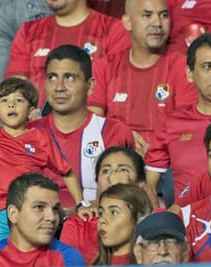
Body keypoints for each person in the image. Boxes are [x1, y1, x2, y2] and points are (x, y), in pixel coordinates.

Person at [5, 0, 128, 100]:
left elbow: (119, 91)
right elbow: (16, 93)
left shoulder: (113, 30)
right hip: (37, 115)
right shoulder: (29, 31)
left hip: (93, 115)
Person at [0, 76, 82, 244]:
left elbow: (67, 172)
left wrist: (80, 204)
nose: (11, 105)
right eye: (4, 100)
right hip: (0, 213)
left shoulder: (40, 137)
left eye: (19, 100)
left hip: (33, 210)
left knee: (37, 255)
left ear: (31, 112)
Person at [146, 32, 211, 203]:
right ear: (189, 73)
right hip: (185, 217)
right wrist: (163, 216)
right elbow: (149, 186)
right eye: (207, 66)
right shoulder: (172, 122)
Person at [34, 45, 136, 206]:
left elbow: (124, 198)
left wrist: (73, 213)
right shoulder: (28, 132)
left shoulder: (114, 133)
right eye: (52, 77)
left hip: (96, 219)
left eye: (69, 78)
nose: (59, 87)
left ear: (90, 86)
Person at [94, 0, 193, 137]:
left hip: (167, 150)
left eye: (164, 15)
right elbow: (92, 127)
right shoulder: (104, 67)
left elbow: (187, 130)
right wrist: (123, 137)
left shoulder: (183, 67)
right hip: (116, 148)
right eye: (147, 15)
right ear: (128, 22)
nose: (157, 23)